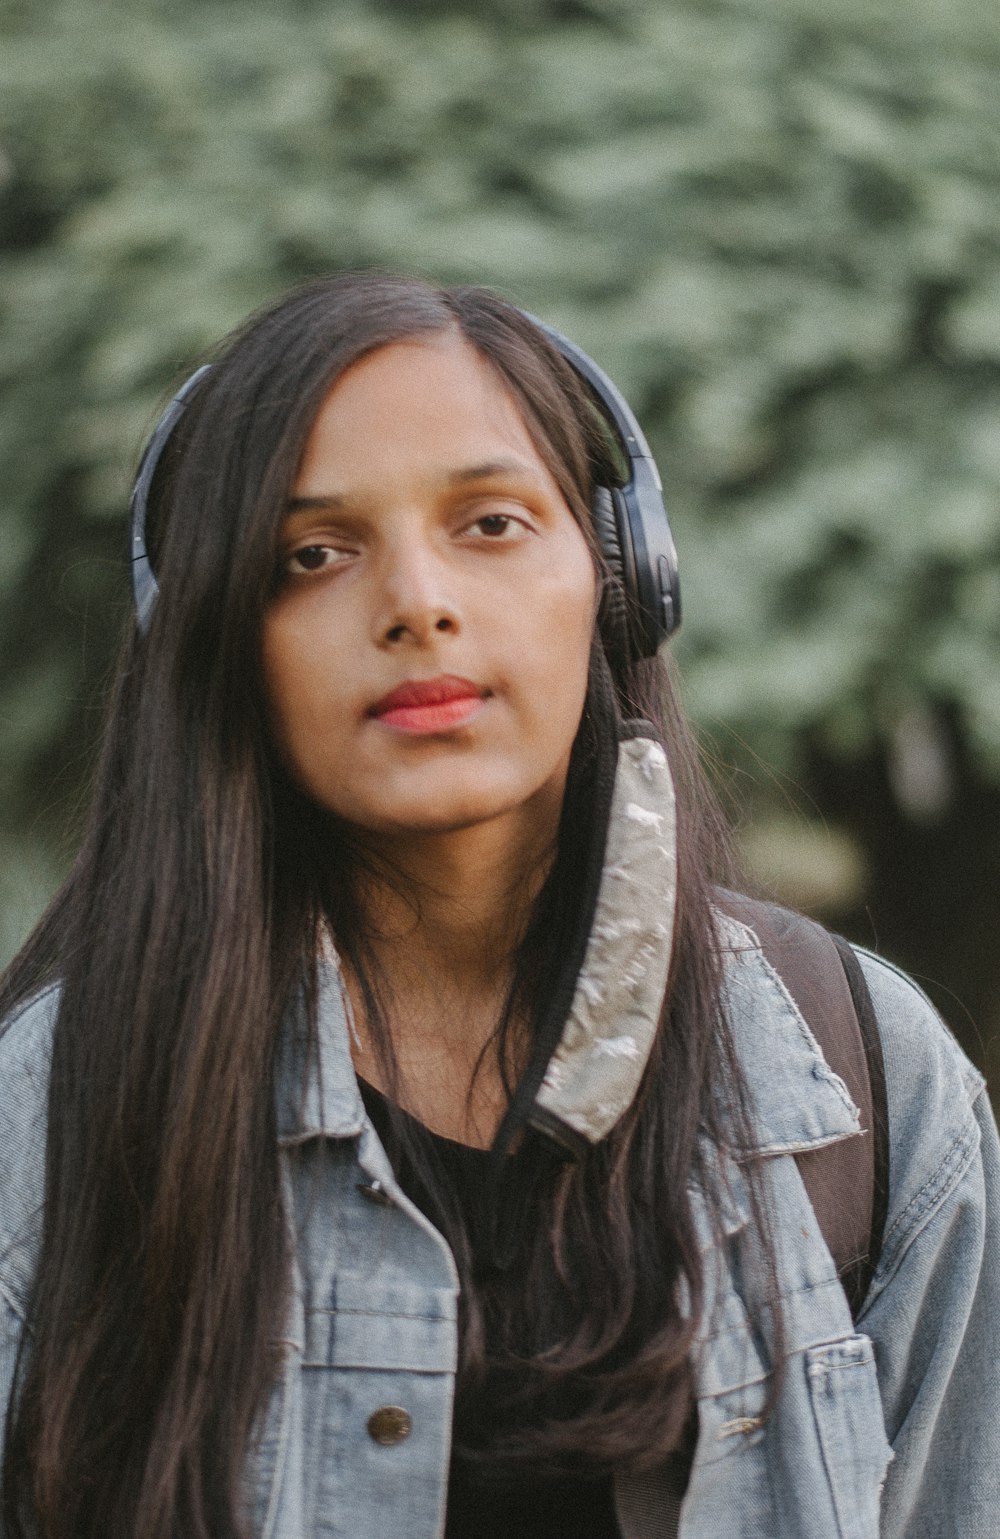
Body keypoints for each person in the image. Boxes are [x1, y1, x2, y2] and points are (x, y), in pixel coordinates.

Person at [0, 273, 996, 1539]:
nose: (416, 603)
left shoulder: (863, 1085)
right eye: (314, 554)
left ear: (619, 577)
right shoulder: (52, 1112)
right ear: (218, 641)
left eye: (490, 522)